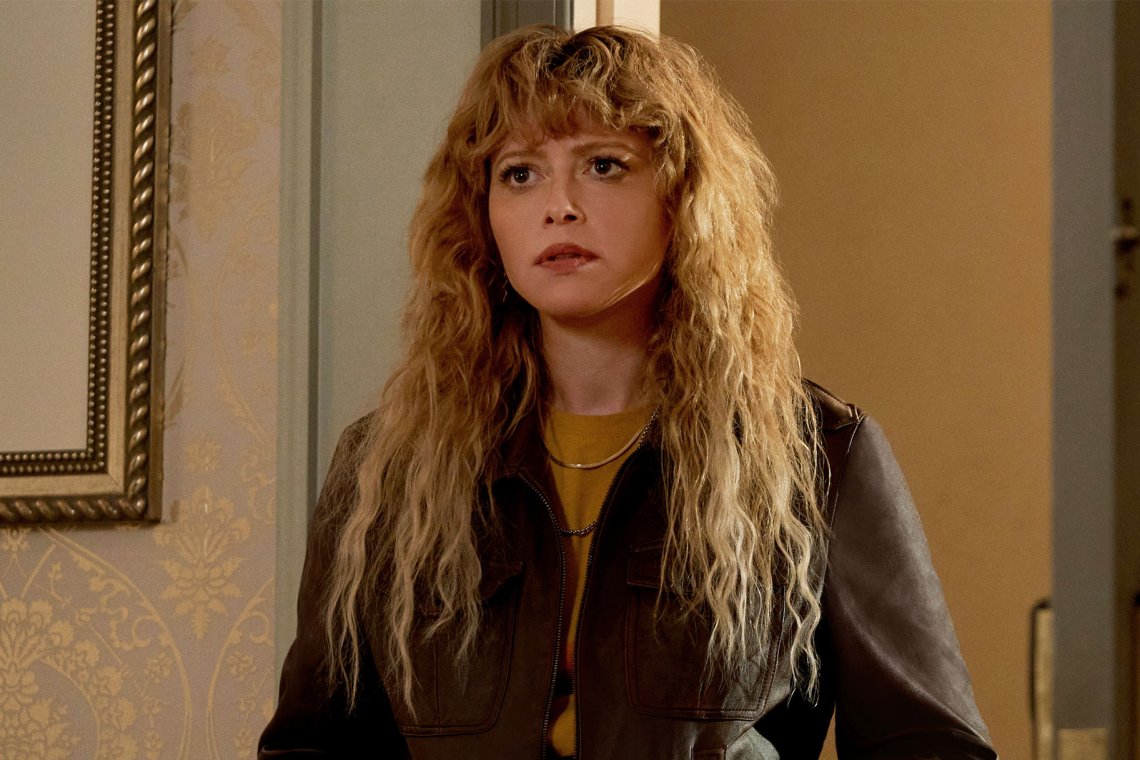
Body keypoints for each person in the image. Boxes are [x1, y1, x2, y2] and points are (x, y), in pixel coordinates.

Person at [259, 25, 996, 760]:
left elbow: (931, 748)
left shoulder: (816, 456)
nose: (559, 205)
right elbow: (313, 749)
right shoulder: (388, 468)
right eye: (520, 174)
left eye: (603, 165)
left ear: (683, 198)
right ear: (482, 215)